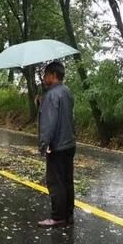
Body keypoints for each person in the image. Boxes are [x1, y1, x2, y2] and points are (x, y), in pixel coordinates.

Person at [37, 61, 76, 228]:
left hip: (57, 145)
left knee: (55, 182)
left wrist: (44, 144)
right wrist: (41, 103)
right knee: (67, 181)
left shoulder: (51, 95)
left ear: (53, 75)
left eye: (45, 75)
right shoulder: (67, 92)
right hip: (69, 143)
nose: (43, 78)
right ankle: (68, 215)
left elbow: (49, 122)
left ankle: (58, 217)